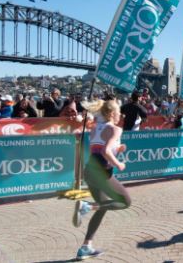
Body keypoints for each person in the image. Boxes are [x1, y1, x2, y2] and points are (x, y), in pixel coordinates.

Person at [72, 99, 131, 260]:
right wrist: (119, 164)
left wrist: (118, 149)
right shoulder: (115, 129)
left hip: (89, 172)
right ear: (112, 114)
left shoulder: (95, 128)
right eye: (119, 113)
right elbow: (105, 151)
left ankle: (85, 247)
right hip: (102, 174)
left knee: (103, 206)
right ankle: (87, 206)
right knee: (125, 202)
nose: (120, 115)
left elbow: (99, 149)